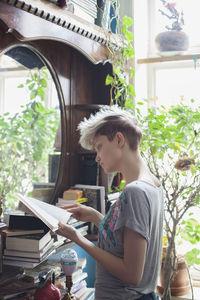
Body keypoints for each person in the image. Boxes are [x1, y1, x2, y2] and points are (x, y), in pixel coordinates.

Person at [56, 105, 163, 300]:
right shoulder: (152, 184)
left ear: (119, 140)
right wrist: (95, 216)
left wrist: (78, 238)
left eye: (99, 147)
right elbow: (124, 241)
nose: (96, 157)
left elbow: (131, 274)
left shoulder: (135, 191)